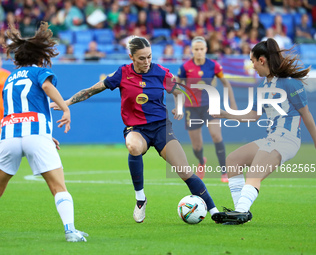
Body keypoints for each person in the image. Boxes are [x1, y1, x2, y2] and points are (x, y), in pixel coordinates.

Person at [51, 36, 220, 223]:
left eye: (149, 57)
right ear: (131, 57)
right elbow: (93, 89)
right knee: (133, 146)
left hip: (161, 128)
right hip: (137, 129)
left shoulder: (161, 72)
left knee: (185, 171)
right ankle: (140, 199)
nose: (147, 62)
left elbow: (181, 92)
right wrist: (67, 102)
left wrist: (179, 107)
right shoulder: (122, 73)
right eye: (141, 58)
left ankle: (214, 212)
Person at [0, 22, 87, 242]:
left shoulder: (9, 78)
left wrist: (46, 134)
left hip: (9, 135)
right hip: (35, 135)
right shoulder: (39, 71)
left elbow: (17, 112)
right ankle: (70, 231)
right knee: (58, 187)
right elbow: (46, 87)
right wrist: (65, 108)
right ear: (39, 56)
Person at [211, 38, 316, 225]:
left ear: (262, 60)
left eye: (252, 61)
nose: (252, 66)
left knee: (255, 172)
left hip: (287, 140)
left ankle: (241, 211)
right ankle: (240, 211)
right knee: (233, 160)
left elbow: (306, 115)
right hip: (272, 138)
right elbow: (253, 116)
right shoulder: (263, 86)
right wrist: (224, 114)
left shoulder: (290, 84)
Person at [177, 36, 237, 182]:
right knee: (197, 146)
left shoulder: (213, 65)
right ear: (192, 50)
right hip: (192, 108)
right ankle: (201, 162)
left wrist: (233, 103)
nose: (199, 52)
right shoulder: (185, 67)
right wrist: (179, 104)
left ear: (206, 50)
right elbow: (177, 86)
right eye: (196, 49)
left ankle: (224, 171)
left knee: (216, 136)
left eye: (201, 49)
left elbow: (226, 83)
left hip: (211, 105)